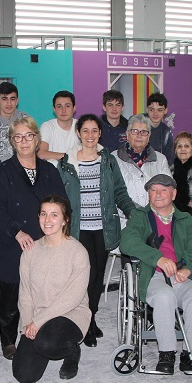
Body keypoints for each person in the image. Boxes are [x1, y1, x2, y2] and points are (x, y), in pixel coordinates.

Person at [119, 174, 192, 375]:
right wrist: (158, 258)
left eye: (163, 190)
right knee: (165, 296)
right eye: (153, 190)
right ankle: (167, 353)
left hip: (183, 275)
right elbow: (127, 243)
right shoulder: (140, 216)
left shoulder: (185, 219)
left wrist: (188, 268)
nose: (158, 194)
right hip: (152, 275)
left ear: (173, 194)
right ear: (148, 194)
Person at [0, 116, 67, 359]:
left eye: (29, 136)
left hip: (46, 242)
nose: (24, 141)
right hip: (14, 242)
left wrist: (58, 231)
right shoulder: (2, 172)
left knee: (46, 294)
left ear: (37, 139)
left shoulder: (49, 171)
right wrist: (17, 231)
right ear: (12, 142)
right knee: (10, 297)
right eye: (18, 137)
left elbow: (62, 203)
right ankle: (8, 341)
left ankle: (44, 333)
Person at [58, 114, 135, 347]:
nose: (90, 135)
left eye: (94, 131)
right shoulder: (66, 162)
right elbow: (60, 197)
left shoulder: (109, 161)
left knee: (98, 276)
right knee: (86, 278)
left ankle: (90, 318)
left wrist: (134, 212)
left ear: (100, 134)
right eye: (85, 130)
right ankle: (86, 322)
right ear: (78, 133)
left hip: (103, 228)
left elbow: (120, 191)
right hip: (79, 230)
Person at [13, 195, 90, 383]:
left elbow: (72, 298)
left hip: (70, 314)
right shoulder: (30, 251)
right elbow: (25, 293)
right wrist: (27, 324)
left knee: (47, 343)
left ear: (65, 220)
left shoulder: (77, 252)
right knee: (24, 375)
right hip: (38, 316)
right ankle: (44, 338)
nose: (47, 220)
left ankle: (72, 350)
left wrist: (38, 322)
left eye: (54, 215)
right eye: (43, 214)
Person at [112, 114, 170, 221]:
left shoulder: (160, 160)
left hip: (155, 220)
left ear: (149, 137)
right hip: (125, 223)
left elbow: (167, 191)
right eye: (135, 131)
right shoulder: (113, 159)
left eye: (144, 132)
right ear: (127, 134)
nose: (139, 135)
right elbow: (112, 194)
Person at [0, 81, 28, 161]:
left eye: (12, 99)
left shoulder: (25, 120)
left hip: (21, 167)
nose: (9, 103)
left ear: (17, 101)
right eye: (4, 99)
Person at [38, 90, 79, 163]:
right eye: (59, 106)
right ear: (54, 109)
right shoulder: (47, 126)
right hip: (52, 172)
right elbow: (41, 154)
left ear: (74, 108)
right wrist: (69, 157)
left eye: (67, 106)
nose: (63, 110)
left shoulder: (80, 126)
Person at [145, 92, 174, 159]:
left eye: (159, 110)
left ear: (165, 111)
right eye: (152, 109)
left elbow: (169, 160)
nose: (155, 113)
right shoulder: (137, 126)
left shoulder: (167, 132)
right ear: (147, 110)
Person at [100, 89, 128, 154]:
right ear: (104, 107)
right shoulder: (96, 127)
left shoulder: (129, 127)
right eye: (110, 105)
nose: (114, 108)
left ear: (123, 107)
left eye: (118, 105)